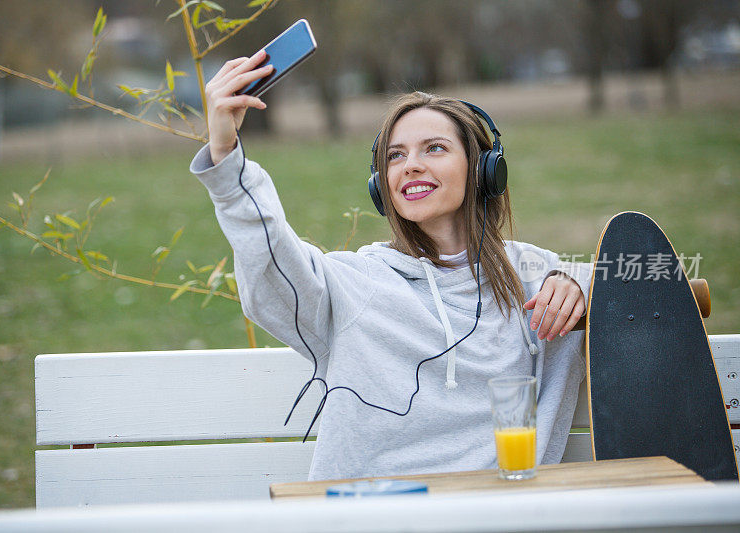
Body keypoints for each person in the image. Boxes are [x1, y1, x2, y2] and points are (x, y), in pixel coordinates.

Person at [189, 50, 592, 481]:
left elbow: (651, 281)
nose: (411, 165)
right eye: (395, 156)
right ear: (381, 185)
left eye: (434, 148)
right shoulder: (355, 284)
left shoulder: (535, 273)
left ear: (484, 170)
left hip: (504, 515)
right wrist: (227, 157)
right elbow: (274, 266)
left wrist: (584, 288)